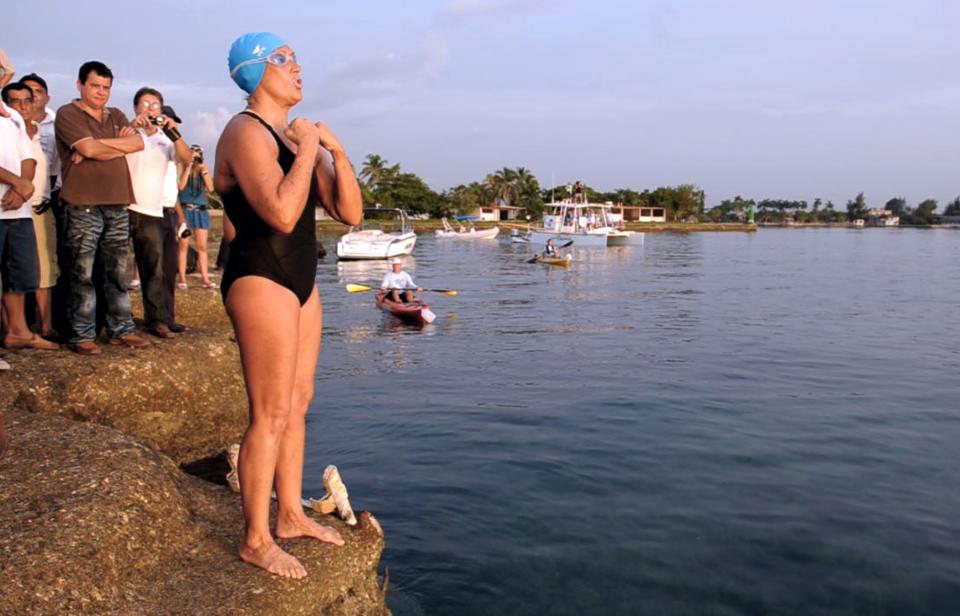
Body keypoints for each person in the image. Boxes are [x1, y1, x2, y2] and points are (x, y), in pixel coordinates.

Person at [215, 32, 362, 579]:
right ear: (255, 72)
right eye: (283, 60)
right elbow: (278, 212)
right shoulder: (244, 130)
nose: (297, 68)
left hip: (302, 278)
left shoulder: (292, 136)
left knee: (299, 403)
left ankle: (292, 514)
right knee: (270, 412)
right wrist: (304, 150)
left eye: (297, 58)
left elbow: (348, 212)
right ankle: (255, 538)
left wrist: (335, 152)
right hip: (260, 275)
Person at [55, 61, 148, 355]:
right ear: (80, 84)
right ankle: (81, 333)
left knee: (117, 271)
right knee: (81, 271)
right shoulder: (67, 113)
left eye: (106, 87)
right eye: (95, 86)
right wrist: (100, 147)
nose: (101, 92)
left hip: (118, 201)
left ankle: (121, 329)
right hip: (82, 203)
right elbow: (88, 149)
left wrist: (96, 146)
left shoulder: (116, 114)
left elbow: (137, 144)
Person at [126, 88, 192, 339]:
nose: (150, 109)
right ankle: (112, 320)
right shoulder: (128, 131)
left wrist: (173, 131)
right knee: (112, 266)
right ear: (135, 107)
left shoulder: (166, 140)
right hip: (124, 207)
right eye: (145, 104)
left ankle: (157, 320)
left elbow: (186, 158)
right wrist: (133, 126)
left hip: (153, 211)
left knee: (155, 270)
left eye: (155, 105)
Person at [1, 83, 58, 353]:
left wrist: (23, 188)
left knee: (21, 273)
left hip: (20, 209)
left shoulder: (17, 126)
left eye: (27, 100)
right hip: (3, 203)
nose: (22, 106)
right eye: (15, 101)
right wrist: (18, 184)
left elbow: (29, 159)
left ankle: (19, 331)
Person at [178, 144, 216, 289]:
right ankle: (182, 278)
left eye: (199, 154)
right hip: (185, 210)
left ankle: (205, 278)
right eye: (193, 154)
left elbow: (211, 189)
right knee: (183, 246)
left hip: (200, 211)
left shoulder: (203, 170)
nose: (196, 157)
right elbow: (180, 187)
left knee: (202, 246)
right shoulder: (182, 168)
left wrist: (204, 171)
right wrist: (188, 166)